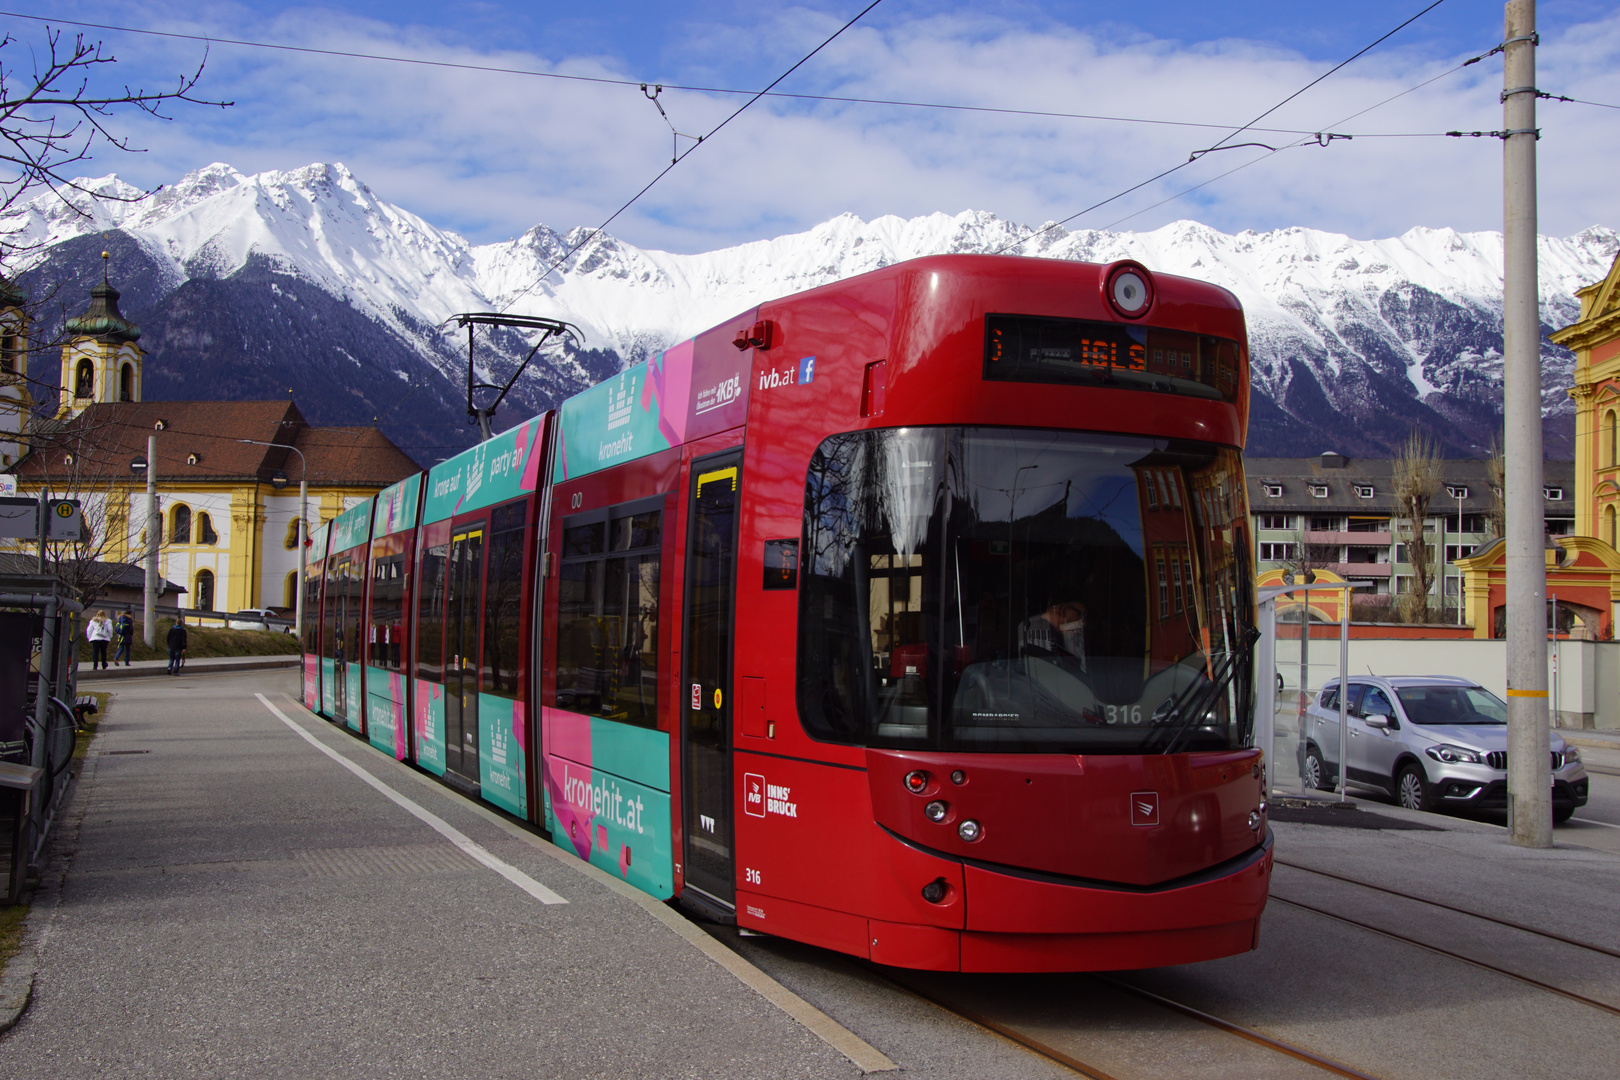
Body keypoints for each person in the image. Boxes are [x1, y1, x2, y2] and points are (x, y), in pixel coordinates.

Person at [1019, 598, 1087, 671]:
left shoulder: (1052, 632)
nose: (1083, 623)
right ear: (1063, 610)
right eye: (1080, 615)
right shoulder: (1035, 631)